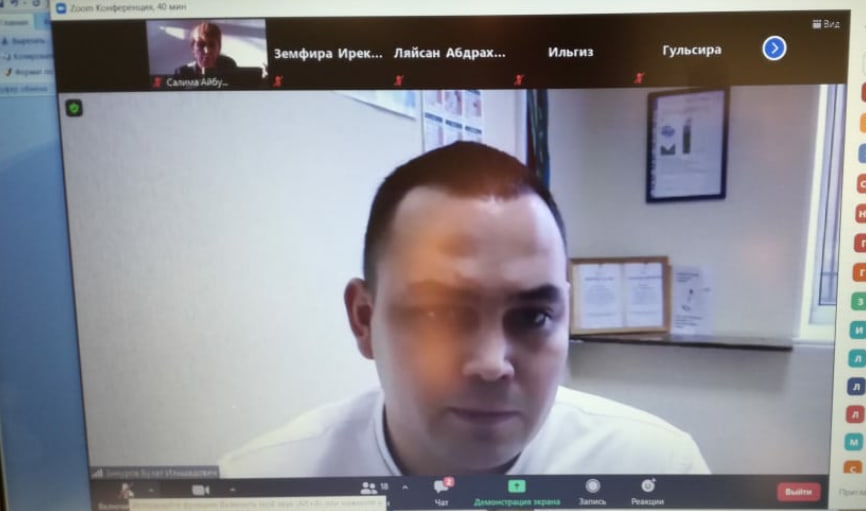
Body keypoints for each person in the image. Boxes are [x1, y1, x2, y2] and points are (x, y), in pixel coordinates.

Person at [220, 142, 709, 477]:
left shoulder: (660, 470)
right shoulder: (255, 490)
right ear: (364, 320)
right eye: (440, 316)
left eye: (533, 317)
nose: (492, 365)